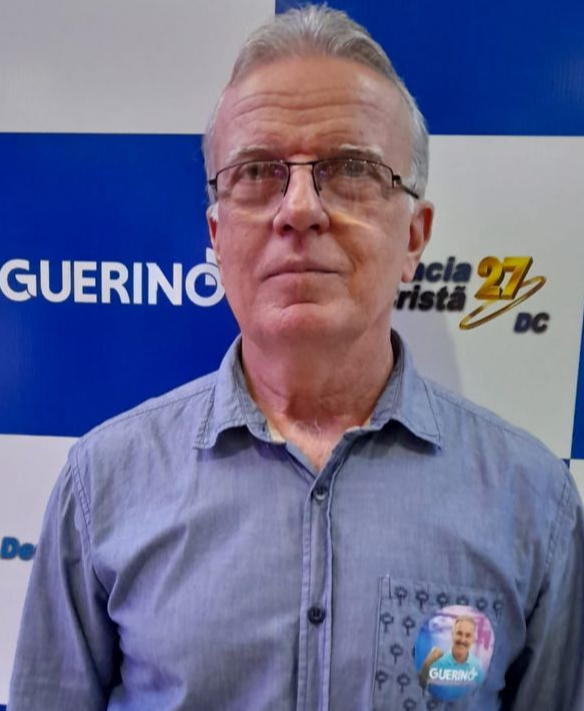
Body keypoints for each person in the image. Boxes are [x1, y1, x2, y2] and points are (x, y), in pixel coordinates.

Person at [9, 5, 584, 711]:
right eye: (258, 171)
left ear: (414, 238)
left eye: (351, 169)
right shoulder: (103, 485)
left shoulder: (533, 506)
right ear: (216, 236)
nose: (300, 209)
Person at [418, 616, 484, 692]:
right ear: (452, 635)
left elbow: (481, 692)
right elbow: (420, 688)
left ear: (473, 639)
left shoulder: (477, 666)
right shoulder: (436, 662)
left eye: (468, 635)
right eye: (459, 633)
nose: (462, 640)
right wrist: (427, 665)